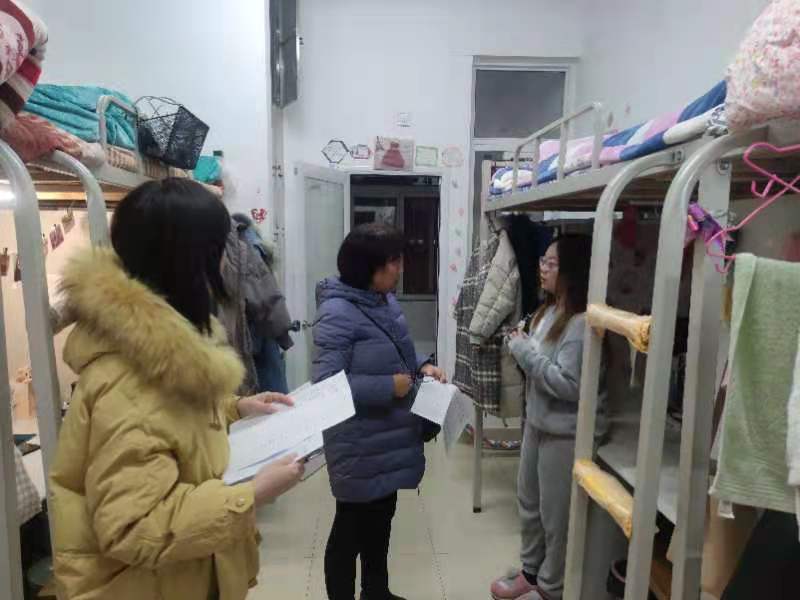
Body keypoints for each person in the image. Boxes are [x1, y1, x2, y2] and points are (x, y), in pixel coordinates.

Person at [48, 178, 304, 600]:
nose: (227, 265)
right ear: (190, 262)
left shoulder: (158, 350)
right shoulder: (130, 383)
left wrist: (234, 407)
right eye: (220, 250)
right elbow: (135, 527)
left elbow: (168, 426)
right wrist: (251, 493)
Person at [313, 223, 445, 600]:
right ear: (368, 266)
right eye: (393, 261)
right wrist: (388, 386)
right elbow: (327, 385)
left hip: (388, 437)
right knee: (349, 532)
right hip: (358, 443)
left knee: (381, 520)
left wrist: (422, 365)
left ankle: (376, 592)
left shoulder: (383, 300)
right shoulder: (337, 312)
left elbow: (396, 349)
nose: (400, 268)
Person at [490, 234, 606, 600]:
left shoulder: (582, 323)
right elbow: (540, 363)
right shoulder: (549, 312)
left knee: (556, 517)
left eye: (551, 263)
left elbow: (569, 385)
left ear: (572, 271)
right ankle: (531, 572)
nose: (542, 268)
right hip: (538, 425)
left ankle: (551, 588)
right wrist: (521, 344)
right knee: (529, 504)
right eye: (542, 260)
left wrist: (524, 352)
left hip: (563, 434)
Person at [219, 212, 293, 395]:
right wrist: (282, 333)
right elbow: (268, 296)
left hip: (252, 331)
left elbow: (265, 294)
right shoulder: (244, 241)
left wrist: (281, 333)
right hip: (258, 329)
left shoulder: (241, 244)